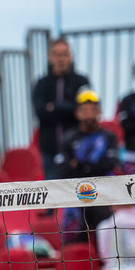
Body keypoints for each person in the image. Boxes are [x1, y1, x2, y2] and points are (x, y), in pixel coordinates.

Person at [33, 37, 91, 179]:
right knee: (54, 197)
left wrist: (55, 107)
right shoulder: (41, 84)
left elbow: (86, 111)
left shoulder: (81, 81)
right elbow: (40, 112)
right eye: (57, 54)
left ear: (70, 56)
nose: (61, 58)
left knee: (81, 196)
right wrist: (71, 108)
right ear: (50, 57)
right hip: (50, 152)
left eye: (64, 54)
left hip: (79, 151)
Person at [55, 89, 120, 179]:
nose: (89, 115)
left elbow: (110, 164)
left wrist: (79, 165)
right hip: (77, 189)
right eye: (84, 111)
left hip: (106, 188)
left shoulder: (109, 136)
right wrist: (92, 167)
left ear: (99, 112)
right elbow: (63, 169)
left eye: (93, 110)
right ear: (76, 113)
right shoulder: (68, 138)